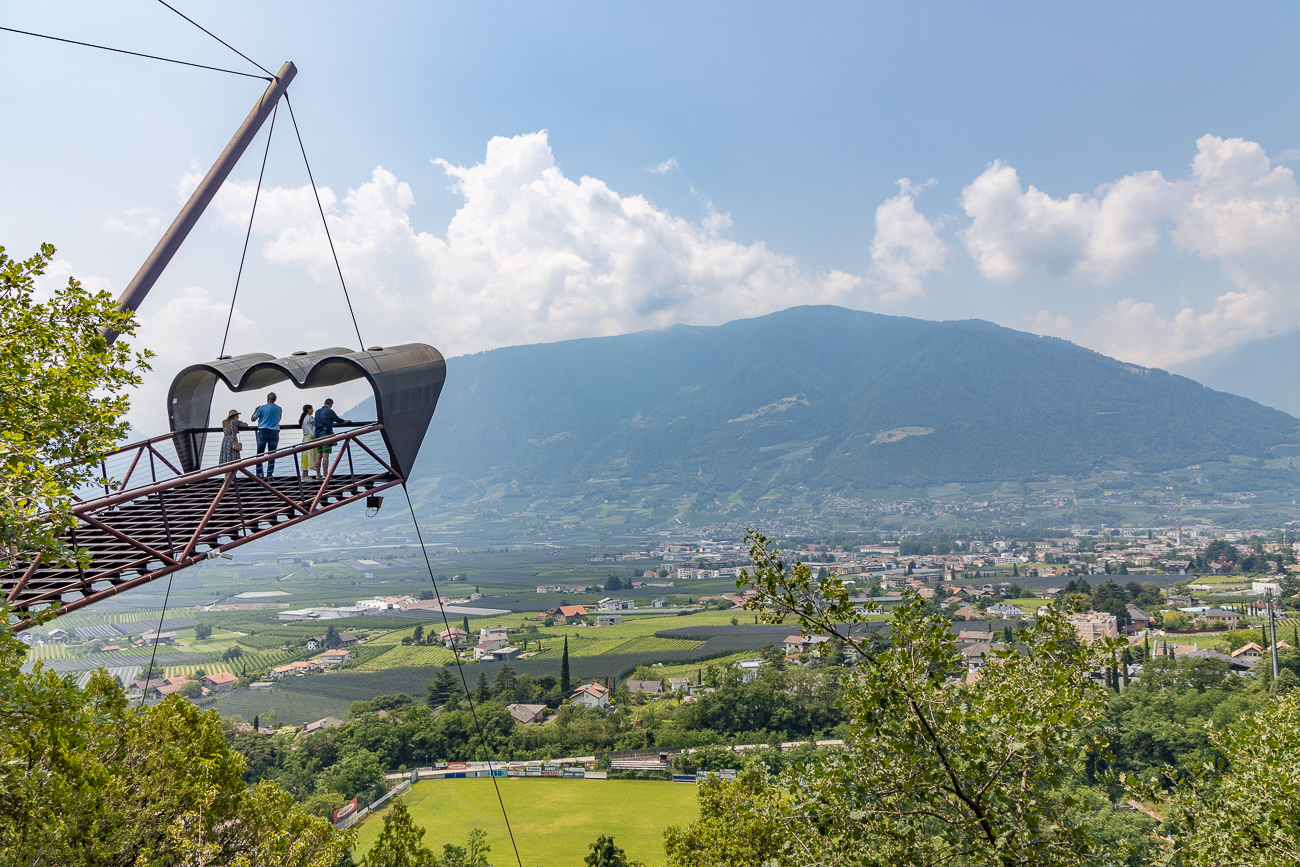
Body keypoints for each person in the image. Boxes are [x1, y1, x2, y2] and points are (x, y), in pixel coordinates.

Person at [313, 398, 352, 471]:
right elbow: (338, 420)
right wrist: (347, 421)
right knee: (325, 455)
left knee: (318, 455)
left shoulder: (317, 412)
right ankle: (325, 474)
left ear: (324, 403)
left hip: (317, 434)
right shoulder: (330, 411)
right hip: (326, 434)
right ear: (331, 404)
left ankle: (318, 474)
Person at [250, 392, 282, 478]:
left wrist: (256, 411)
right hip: (274, 432)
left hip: (263, 431)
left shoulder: (262, 408)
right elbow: (278, 419)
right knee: (272, 454)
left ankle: (259, 474)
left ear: (267, 399)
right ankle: (269, 475)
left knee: (260, 454)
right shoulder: (279, 409)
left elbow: (253, 419)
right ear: (275, 399)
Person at [298, 404, 317, 478]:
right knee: (312, 455)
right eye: (312, 409)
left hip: (305, 438)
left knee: (305, 456)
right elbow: (316, 425)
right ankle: (307, 475)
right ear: (308, 409)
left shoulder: (304, 418)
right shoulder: (310, 417)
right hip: (310, 438)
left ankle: (304, 474)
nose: (313, 410)